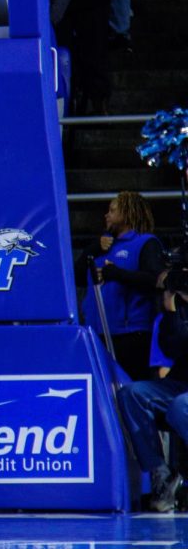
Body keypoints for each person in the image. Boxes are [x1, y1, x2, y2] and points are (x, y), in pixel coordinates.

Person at [78, 191, 162, 382]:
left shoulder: (145, 242)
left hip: (131, 333)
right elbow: (78, 276)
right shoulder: (103, 246)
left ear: (127, 213)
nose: (106, 215)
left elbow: (154, 280)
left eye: (112, 210)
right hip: (98, 333)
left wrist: (117, 274)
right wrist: (93, 248)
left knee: (128, 387)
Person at [118, 285, 188, 513]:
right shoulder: (179, 308)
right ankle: (161, 475)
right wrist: (171, 311)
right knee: (132, 394)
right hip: (180, 384)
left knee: (181, 405)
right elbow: (171, 350)